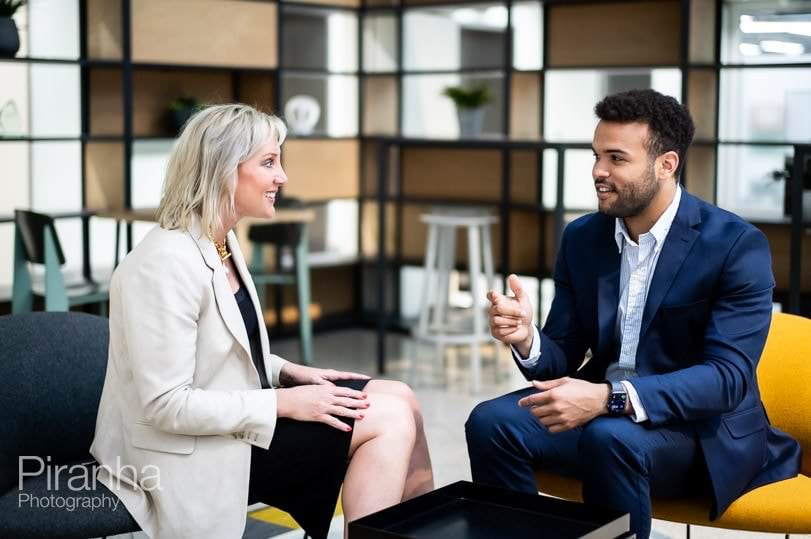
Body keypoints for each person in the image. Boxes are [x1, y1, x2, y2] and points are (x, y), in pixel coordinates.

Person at [465, 89, 800, 538]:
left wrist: (607, 398)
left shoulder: (735, 245)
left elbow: (726, 378)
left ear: (667, 164)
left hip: (700, 432)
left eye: (617, 159)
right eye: (597, 155)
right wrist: (527, 337)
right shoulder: (584, 237)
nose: (599, 172)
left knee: (611, 438)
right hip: (605, 417)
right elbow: (560, 357)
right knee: (491, 423)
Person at [90, 104, 433, 539]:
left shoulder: (222, 240)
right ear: (221, 171)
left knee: (403, 397)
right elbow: (167, 405)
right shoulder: (161, 264)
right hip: (187, 451)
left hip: (234, 423)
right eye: (268, 163)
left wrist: (289, 373)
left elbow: (221, 352)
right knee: (388, 419)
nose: (282, 177)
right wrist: (283, 402)